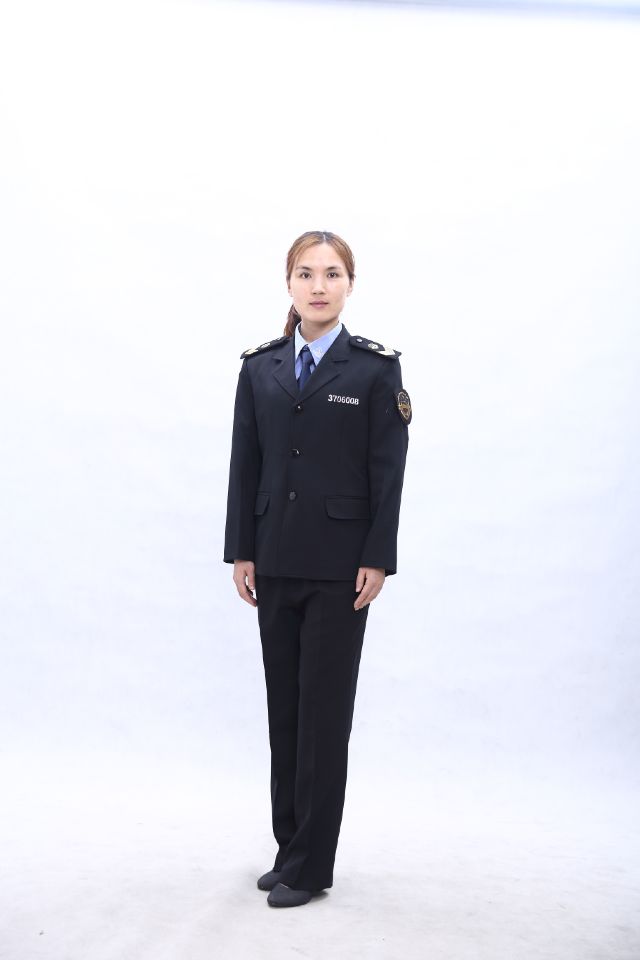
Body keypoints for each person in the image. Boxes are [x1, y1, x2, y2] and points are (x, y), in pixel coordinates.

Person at [223, 230, 411, 908]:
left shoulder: (373, 369)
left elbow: (388, 471)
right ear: (289, 284)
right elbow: (246, 462)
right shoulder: (261, 367)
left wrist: (377, 557)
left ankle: (311, 867)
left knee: (324, 718)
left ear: (349, 284)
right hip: (274, 560)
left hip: (340, 570)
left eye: (332, 274)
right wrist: (242, 550)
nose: (319, 286)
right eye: (306, 274)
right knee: (286, 713)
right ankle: (289, 850)